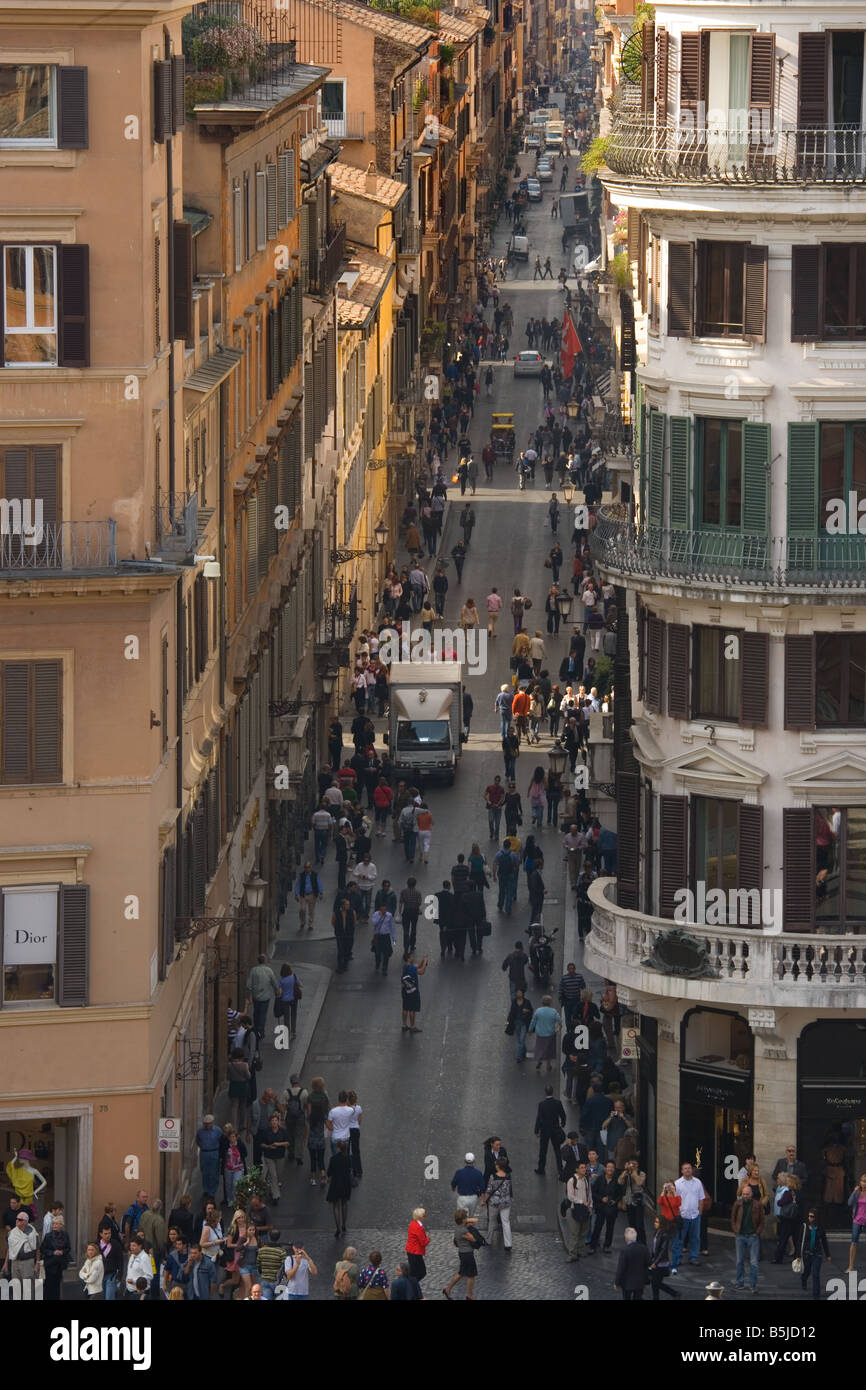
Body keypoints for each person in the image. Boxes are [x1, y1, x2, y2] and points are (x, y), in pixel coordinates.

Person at [671, 1161, 708, 1272]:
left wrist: (700, 1212)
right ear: (682, 1171)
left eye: (689, 1168)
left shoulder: (698, 1182)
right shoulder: (677, 1184)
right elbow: (674, 1200)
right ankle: (677, 1259)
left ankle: (694, 1257)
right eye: (685, 1168)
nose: (687, 1170)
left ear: (692, 1170)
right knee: (679, 1239)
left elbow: (701, 1198)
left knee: (695, 1238)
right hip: (682, 1216)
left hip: (695, 1216)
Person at [443, 1210, 482, 1301]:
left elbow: (475, 1220)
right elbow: (473, 1239)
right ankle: (469, 1295)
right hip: (467, 1254)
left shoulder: (458, 1227)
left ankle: (447, 1289)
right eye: (465, 1217)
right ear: (463, 1219)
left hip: (462, 1253)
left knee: (461, 1273)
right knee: (471, 1275)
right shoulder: (463, 1230)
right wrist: (468, 1225)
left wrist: (465, 1221)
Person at [589, 1161, 622, 1255]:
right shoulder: (600, 1179)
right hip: (601, 1207)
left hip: (612, 1208)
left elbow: (620, 1193)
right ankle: (593, 1246)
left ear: (614, 1169)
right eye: (608, 1167)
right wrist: (601, 1198)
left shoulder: (616, 1180)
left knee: (610, 1228)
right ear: (605, 1169)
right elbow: (594, 1192)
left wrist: (615, 1201)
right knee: (597, 1226)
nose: (610, 1169)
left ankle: (607, 1245)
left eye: (612, 1167)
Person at [535, 1083, 567, 1176]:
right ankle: (560, 1169)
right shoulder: (558, 1103)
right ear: (552, 1092)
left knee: (543, 1150)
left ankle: (541, 1168)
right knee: (557, 1150)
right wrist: (563, 1123)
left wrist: (537, 1130)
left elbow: (539, 1118)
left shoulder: (542, 1104)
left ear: (545, 1092)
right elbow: (563, 1114)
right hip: (555, 1129)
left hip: (545, 1130)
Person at [798, 1209, 831, 1299]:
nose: (810, 1218)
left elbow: (824, 1242)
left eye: (812, 1216)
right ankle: (803, 1279)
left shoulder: (820, 1228)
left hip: (817, 1253)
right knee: (807, 1271)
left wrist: (828, 1255)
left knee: (816, 1273)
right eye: (809, 1216)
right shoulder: (804, 1227)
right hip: (807, 1253)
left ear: (816, 1218)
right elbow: (800, 1241)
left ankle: (816, 1295)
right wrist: (798, 1255)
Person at [482, 1160, 513, 1251]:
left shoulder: (493, 1177)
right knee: (506, 1222)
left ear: (498, 1166)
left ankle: (489, 1240)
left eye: (496, 1165)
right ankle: (508, 1244)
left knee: (492, 1221)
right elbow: (510, 1189)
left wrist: (484, 1201)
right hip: (506, 1202)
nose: (495, 1166)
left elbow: (489, 1190)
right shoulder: (508, 1176)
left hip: (494, 1203)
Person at [260, 1112, 289, 1206]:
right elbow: (262, 1144)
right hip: (269, 1156)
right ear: (270, 1122)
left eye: (276, 1121)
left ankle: (271, 1188)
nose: (274, 1122)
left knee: (278, 1175)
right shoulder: (266, 1131)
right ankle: (276, 1196)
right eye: (272, 1121)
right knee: (273, 1176)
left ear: (278, 1122)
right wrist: (268, 1146)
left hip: (280, 1156)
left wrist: (278, 1144)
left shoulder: (283, 1131)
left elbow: (287, 1143)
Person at [614, 1227, 651, 1301]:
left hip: (627, 1283)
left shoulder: (625, 1250)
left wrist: (617, 1282)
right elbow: (648, 1263)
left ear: (626, 1238)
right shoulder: (644, 1248)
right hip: (640, 1282)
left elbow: (621, 1268)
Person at [649, 1216, 681, 1299]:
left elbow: (663, 1250)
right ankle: (673, 1294)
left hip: (661, 1263)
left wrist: (655, 1262)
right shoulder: (656, 1232)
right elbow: (654, 1248)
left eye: (657, 1222)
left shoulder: (664, 1235)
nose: (654, 1223)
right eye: (655, 1221)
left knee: (656, 1283)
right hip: (656, 1261)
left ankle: (674, 1293)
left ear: (661, 1224)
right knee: (655, 1282)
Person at [306, 1077, 330, 1187]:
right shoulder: (324, 1096)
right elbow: (327, 1109)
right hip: (320, 1138)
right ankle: (323, 1176)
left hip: (312, 1138)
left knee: (312, 1159)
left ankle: (313, 1178)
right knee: (321, 1159)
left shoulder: (310, 1097)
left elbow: (309, 1112)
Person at [326, 1140, 353, 1239]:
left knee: (336, 1205)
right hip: (346, 1183)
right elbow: (351, 1169)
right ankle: (344, 1225)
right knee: (344, 1204)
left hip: (336, 1183)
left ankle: (338, 1227)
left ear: (338, 1148)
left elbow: (329, 1172)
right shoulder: (349, 1158)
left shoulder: (334, 1159)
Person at [529, 994, 561, 1074]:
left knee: (540, 1048)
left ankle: (539, 1061)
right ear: (550, 1002)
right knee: (549, 1049)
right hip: (550, 1034)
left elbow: (533, 1021)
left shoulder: (538, 1011)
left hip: (540, 1034)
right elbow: (560, 1020)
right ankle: (548, 1064)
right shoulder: (553, 1011)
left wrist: (530, 1030)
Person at [401, 949, 428, 1033]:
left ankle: (404, 1025)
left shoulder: (406, 966)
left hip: (405, 990)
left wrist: (423, 961)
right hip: (413, 991)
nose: (413, 958)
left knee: (405, 1008)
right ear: (408, 959)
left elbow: (418, 966)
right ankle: (412, 1027)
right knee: (412, 1009)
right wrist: (425, 963)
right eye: (412, 957)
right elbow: (421, 971)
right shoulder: (412, 968)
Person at [294, 862, 324, 932]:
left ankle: (310, 924)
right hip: (303, 895)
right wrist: (296, 894)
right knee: (302, 909)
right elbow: (298, 884)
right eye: (306, 867)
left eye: (308, 867)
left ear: (310, 867)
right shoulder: (301, 875)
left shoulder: (314, 875)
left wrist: (321, 892)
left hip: (312, 895)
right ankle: (302, 922)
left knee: (311, 910)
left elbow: (318, 883)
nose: (307, 869)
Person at [845, 1174, 866, 1272]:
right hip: (857, 1220)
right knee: (853, 1242)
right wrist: (854, 1191)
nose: (864, 1184)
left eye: (865, 1182)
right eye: (862, 1181)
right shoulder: (857, 1192)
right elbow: (849, 1203)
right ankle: (851, 1266)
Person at [406, 1208, 430, 1283]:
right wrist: (428, 1239)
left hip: (411, 1251)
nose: (425, 1217)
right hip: (416, 1252)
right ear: (420, 1217)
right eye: (424, 1215)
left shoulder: (412, 1223)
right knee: (421, 1272)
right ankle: (412, 1286)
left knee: (413, 1272)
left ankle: (412, 1286)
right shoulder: (419, 1228)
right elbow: (423, 1242)